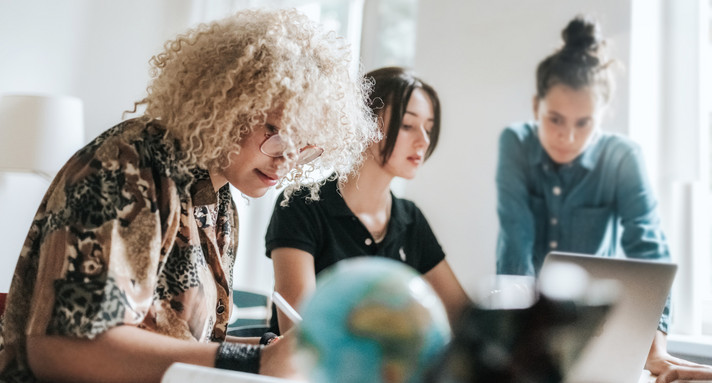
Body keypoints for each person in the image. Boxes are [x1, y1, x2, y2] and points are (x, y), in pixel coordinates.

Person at [0, 8, 378, 383]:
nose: (287, 160)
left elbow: (175, 344)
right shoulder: (131, 164)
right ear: (229, 103)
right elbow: (64, 349)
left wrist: (266, 351)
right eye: (277, 134)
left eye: (305, 148)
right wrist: (253, 364)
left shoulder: (220, 201)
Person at [495, 15, 712, 383]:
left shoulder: (622, 156)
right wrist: (515, 335)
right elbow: (516, 241)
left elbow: (649, 249)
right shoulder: (515, 143)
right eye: (555, 120)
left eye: (584, 123)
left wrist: (655, 346)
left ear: (603, 116)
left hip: (599, 329)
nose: (568, 136)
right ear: (536, 108)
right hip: (529, 325)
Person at [265, 66, 469, 335]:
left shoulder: (410, 219)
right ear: (365, 123)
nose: (423, 141)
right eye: (408, 125)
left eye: (428, 128)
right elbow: (302, 333)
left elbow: (463, 315)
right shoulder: (300, 205)